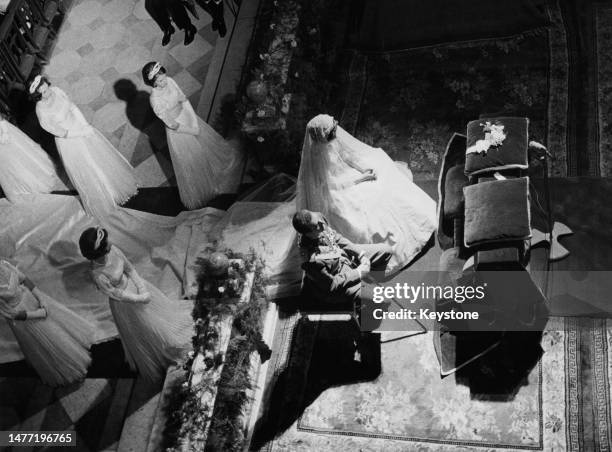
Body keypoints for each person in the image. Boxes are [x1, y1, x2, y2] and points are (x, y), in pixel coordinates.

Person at [296, 114, 437, 274]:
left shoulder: (332, 141)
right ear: (322, 136)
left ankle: (415, 215)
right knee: (374, 200)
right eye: (331, 132)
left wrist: (362, 169)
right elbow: (330, 186)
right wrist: (360, 179)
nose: (336, 134)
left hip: (347, 176)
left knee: (381, 165)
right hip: (339, 192)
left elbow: (346, 154)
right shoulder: (315, 158)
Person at [79, 227, 192, 382]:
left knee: (164, 317)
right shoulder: (97, 274)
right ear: (100, 250)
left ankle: (174, 341)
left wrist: (142, 288)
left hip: (137, 288)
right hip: (125, 304)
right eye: (106, 242)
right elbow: (115, 294)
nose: (110, 242)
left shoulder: (114, 251)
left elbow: (130, 268)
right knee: (151, 329)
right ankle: (169, 351)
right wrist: (138, 298)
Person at [30, 74, 138, 222]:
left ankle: (114, 188)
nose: (48, 93)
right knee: (88, 166)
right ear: (37, 96)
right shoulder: (41, 112)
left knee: (99, 157)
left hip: (80, 126)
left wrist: (85, 125)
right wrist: (80, 132)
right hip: (69, 140)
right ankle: (104, 198)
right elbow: (61, 132)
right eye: (43, 93)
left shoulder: (56, 90)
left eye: (47, 88)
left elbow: (72, 107)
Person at [142, 62, 243, 209]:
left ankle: (214, 168)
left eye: (164, 77)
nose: (164, 82)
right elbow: (171, 124)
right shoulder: (155, 100)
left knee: (206, 146)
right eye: (160, 81)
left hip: (188, 117)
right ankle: (205, 185)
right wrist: (191, 130)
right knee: (192, 159)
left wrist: (193, 120)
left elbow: (183, 99)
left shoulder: (170, 81)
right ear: (152, 83)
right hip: (178, 130)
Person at [0, 259, 93, 386]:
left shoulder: (4, 264)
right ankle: (65, 369)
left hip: (32, 300)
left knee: (57, 334)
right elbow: (12, 314)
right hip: (25, 318)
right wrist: (40, 313)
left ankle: (73, 359)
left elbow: (24, 280)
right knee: (45, 345)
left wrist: (41, 298)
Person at [293, 209, 392, 306]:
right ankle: (363, 290)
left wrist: (360, 255)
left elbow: (337, 239)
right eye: (317, 226)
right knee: (384, 299)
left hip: (344, 257)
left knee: (386, 250)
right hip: (339, 280)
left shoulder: (318, 219)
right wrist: (358, 273)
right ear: (308, 233)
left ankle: (370, 280)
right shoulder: (311, 260)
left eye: (319, 220)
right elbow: (332, 285)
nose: (322, 224)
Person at [0, 113, 58, 202]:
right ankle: (20, 185)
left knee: (20, 157)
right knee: (9, 165)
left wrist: (4, 133)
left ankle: (34, 181)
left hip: (5, 134)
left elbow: (1, 120)